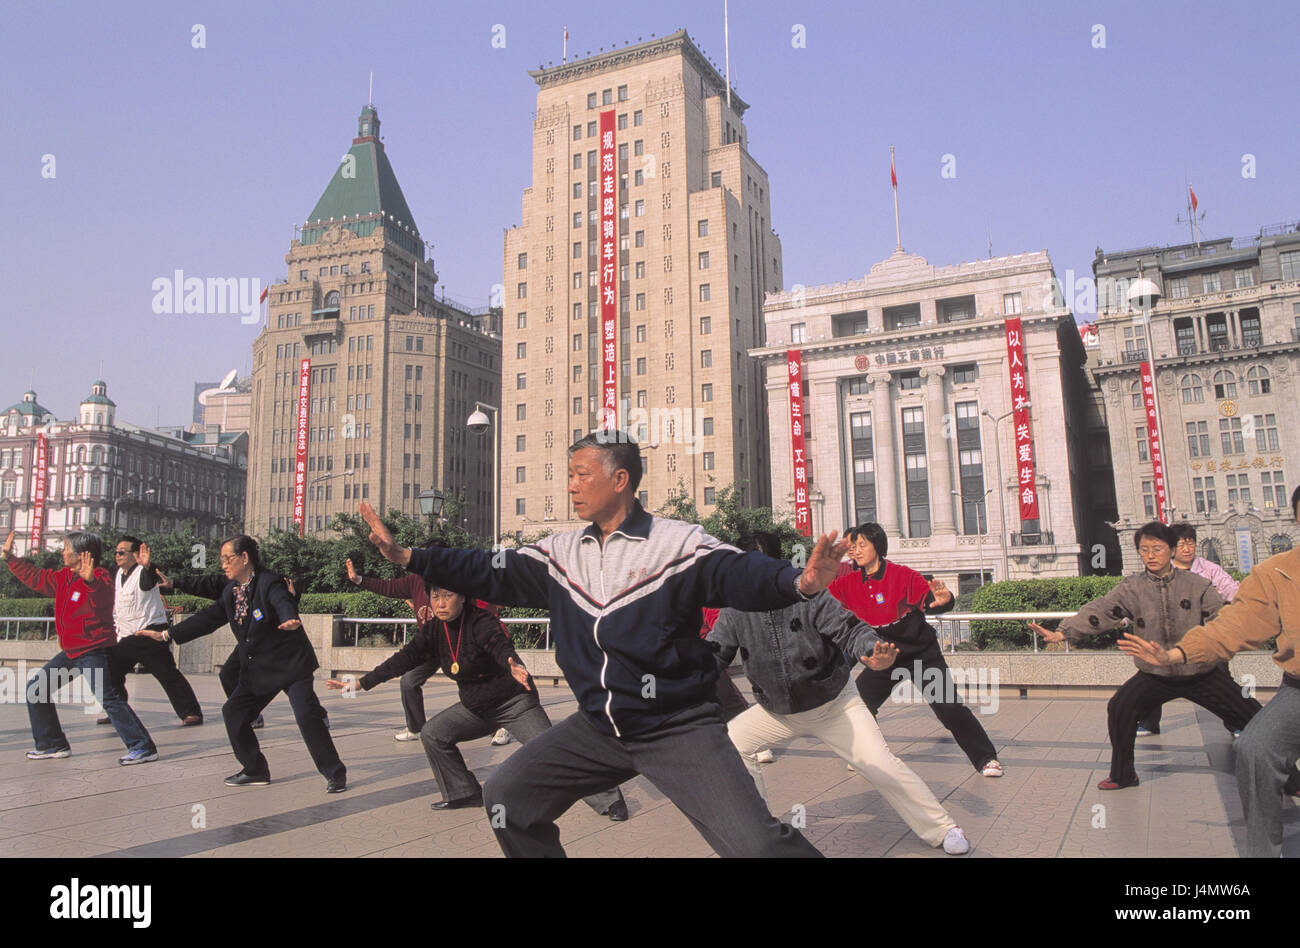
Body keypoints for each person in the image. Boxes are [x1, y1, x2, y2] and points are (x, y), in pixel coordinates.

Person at [360, 430, 849, 858]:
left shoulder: (677, 543)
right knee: (509, 797)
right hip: (599, 727)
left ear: (620, 481)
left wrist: (799, 583)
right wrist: (409, 555)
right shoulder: (560, 553)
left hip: (676, 726)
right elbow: (486, 569)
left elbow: (738, 571)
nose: (571, 485)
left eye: (581, 474)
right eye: (569, 475)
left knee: (756, 845)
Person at [708, 531, 972, 855]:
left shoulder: (809, 594)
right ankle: (760, 829)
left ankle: (943, 828)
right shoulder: (735, 610)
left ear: (777, 566)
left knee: (880, 764)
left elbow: (850, 629)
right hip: (776, 711)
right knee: (732, 744)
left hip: (833, 705)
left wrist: (871, 650)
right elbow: (711, 656)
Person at [327, 586, 628, 820]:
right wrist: (362, 682)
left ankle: (609, 798)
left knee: (553, 752)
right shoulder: (433, 630)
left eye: (448, 596)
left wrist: (511, 663)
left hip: (514, 702)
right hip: (475, 708)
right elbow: (404, 659)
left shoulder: (481, 621)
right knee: (433, 733)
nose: (441, 603)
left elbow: (499, 644)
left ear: (463, 598)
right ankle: (463, 792)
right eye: (435, 596)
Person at [1118, 487, 1300, 855]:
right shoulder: (1278, 572)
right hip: (1295, 689)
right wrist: (1174, 655)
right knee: (1254, 747)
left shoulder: (1206, 576)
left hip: (1205, 677)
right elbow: (1232, 625)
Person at [1028, 520, 1260, 790]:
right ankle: (1123, 774)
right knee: (1119, 707)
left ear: (1171, 550)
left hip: (1199, 671)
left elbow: (1224, 618)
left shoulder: (1197, 585)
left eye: (1157, 549)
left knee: (1253, 715)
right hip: (1155, 674)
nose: (1150, 555)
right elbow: (1102, 611)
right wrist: (1063, 633)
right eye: (1144, 550)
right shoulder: (1133, 588)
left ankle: (1290, 777)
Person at [140, 535, 346, 792]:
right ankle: (255, 769)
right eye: (222, 560)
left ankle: (335, 773)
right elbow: (209, 617)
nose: (224, 565)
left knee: (306, 716)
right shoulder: (232, 590)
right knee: (233, 713)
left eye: (228, 559)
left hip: (291, 665)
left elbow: (282, 601)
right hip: (259, 667)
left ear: (245, 558)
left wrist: (289, 617)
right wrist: (166, 634)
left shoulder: (269, 582)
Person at [829, 523, 1004, 777]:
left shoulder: (902, 575)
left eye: (861, 545)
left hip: (921, 654)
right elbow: (817, 601)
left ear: (877, 546)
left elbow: (930, 601)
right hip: (886, 656)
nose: (855, 551)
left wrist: (944, 601)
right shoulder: (848, 583)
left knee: (948, 707)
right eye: (851, 547)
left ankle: (986, 758)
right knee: (861, 704)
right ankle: (870, 755)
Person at [3, 530, 158, 765]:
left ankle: (142, 747)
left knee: (109, 699)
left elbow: (104, 601)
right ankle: (51, 744)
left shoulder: (101, 577)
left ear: (82, 554)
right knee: (36, 688)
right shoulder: (64, 576)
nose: (63, 552)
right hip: (72, 652)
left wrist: (90, 582)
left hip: (94, 651)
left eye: (67, 548)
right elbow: (36, 577)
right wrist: (11, 559)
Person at [344, 555, 510, 746]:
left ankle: (503, 724)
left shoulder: (460, 579)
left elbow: (486, 603)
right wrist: (359, 580)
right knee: (408, 681)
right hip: (433, 644)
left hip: (463, 642)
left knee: (478, 683)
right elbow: (388, 587)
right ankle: (416, 728)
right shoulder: (415, 580)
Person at [1138, 522, 1241, 736]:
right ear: (1172, 548)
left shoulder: (1209, 569)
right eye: (1182, 544)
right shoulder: (1161, 570)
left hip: (1207, 636)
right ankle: (1148, 723)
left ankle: (1237, 723)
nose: (1187, 549)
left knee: (1222, 679)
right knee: (1153, 676)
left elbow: (1231, 590)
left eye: (1191, 543)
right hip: (1170, 635)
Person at [100, 537, 203, 727]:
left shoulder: (142, 572)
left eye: (122, 552)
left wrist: (148, 566)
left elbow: (149, 580)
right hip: (126, 636)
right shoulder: (118, 574)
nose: (117, 555)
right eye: (116, 552)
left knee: (167, 674)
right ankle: (117, 708)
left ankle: (191, 712)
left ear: (135, 555)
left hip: (150, 635)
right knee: (111, 669)